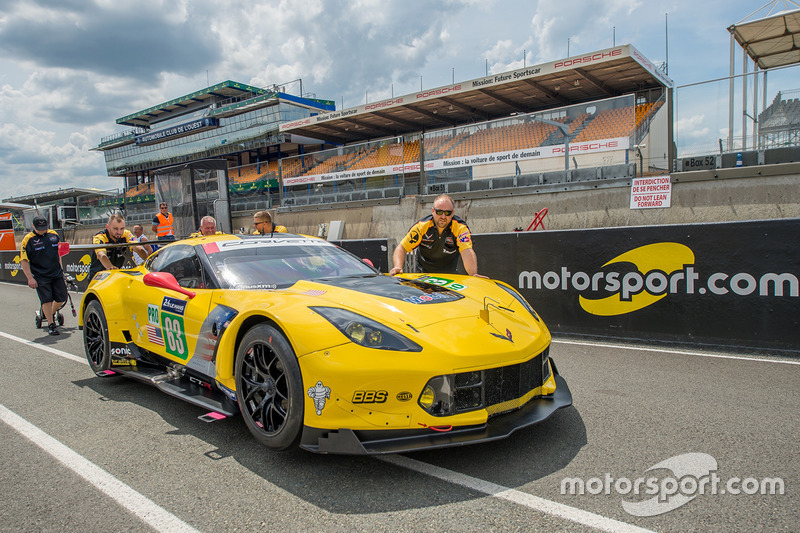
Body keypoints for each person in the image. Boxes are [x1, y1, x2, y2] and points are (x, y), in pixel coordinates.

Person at [389, 194, 485, 277]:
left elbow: (467, 251)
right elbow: (402, 248)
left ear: (453, 213)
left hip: (449, 274)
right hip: (423, 273)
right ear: (433, 211)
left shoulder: (460, 228)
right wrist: (398, 267)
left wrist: (473, 275)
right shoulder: (422, 226)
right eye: (439, 212)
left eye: (447, 213)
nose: (443, 216)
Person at [20, 216, 67, 335]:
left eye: (44, 228)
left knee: (62, 298)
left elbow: (59, 253)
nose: (42, 230)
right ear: (33, 226)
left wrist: (61, 270)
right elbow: (24, 260)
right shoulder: (28, 239)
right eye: (39, 228)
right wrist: (30, 278)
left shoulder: (53, 235)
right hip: (40, 275)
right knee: (46, 299)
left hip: (56, 272)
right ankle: (51, 324)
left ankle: (48, 313)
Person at [89, 213, 148, 280]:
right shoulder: (99, 237)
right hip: (98, 276)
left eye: (122, 228)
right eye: (115, 229)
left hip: (115, 275)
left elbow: (138, 248)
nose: (119, 232)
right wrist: (110, 267)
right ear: (108, 227)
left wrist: (148, 261)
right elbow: (101, 255)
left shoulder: (126, 234)